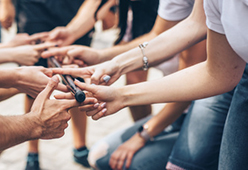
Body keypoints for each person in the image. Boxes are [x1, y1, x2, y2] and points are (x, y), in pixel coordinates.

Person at [53, 0, 248, 169]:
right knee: (102, 156)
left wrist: (144, 132)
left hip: (210, 100)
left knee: (187, 160)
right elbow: (217, 70)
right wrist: (113, 67)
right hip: (226, 90)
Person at [0, 0, 103, 169]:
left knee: (77, 76)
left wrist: (106, 9)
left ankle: (80, 147)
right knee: (31, 82)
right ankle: (32, 151)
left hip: (76, 8)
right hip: (33, 7)